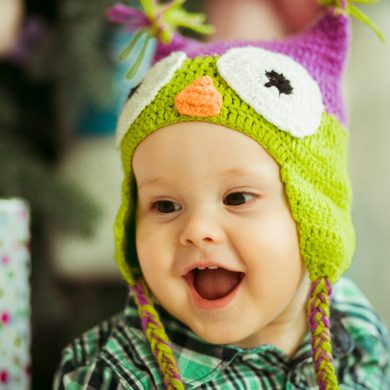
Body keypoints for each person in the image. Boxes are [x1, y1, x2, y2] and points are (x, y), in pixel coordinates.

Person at [54, 0, 390, 388]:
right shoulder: (115, 374)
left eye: (237, 198)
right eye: (164, 205)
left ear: (316, 215)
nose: (197, 229)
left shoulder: (354, 333)